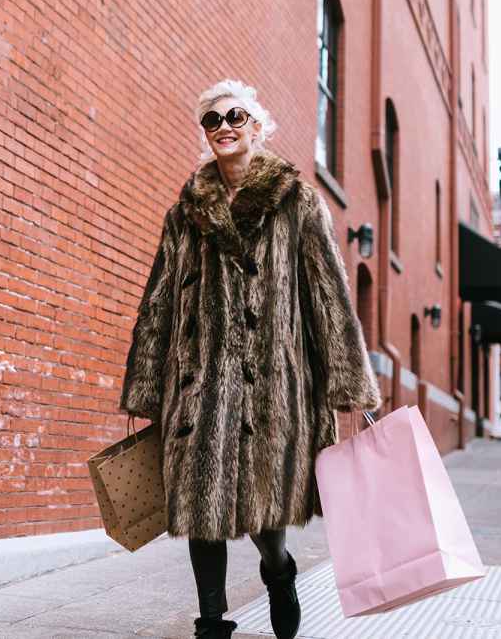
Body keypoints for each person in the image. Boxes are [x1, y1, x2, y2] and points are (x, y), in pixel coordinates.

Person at [119, 80, 380, 639]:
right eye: (211, 121)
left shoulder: (297, 201)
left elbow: (329, 296)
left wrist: (347, 386)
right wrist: (145, 387)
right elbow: (159, 299)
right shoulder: (185, 213)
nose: (224, 127)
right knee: (199, 510)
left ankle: (279, 573)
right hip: (199, 383)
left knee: (265, 512)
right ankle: (211, 623)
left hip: (273, 385)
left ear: (257, 126)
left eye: (234, 116)